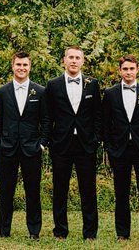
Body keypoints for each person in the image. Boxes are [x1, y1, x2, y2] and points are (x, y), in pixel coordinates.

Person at [102, 55, 139, 242]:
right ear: (120, 71)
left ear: (137, 70)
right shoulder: (110, 93)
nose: (128, 72)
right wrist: (109, 146)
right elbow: (104, 123)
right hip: (119, 149)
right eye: (125, 69)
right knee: (121, 192)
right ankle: (122, 233)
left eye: (132, 69)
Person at [45, 46, 101, 240]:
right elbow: (48, 115)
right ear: (64, 60)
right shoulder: (53, 85)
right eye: (71, 57)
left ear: (83, 61)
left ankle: (90, 233)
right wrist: (50, 139)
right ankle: (60, 231)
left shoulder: (92, 84)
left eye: (78, 57)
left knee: (88, 189)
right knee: (60, 189)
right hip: (61, 143)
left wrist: (96, 138)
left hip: (86, 144)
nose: (74, 61)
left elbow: (97, 115)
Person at [0, 51, 49, 239]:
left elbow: (46, 120)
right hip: (7, 148)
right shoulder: (2, 91)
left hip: (31, 148)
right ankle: (4, 230)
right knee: (6, 191)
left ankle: (34, 231)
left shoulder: (40, 91)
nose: (21, 68)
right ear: (13, 66)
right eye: (18, 65)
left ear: (29, 67)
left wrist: (41, 144)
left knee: (32, 191)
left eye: (25, 65)